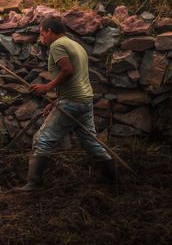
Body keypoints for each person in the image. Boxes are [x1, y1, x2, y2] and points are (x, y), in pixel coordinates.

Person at [13, 15, 117, 192]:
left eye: (42, 34)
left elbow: (68, 70)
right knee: (90, 141)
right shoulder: (76, 45)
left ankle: (33, 183)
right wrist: (55, 101)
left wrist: (47, 87)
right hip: (84, 100)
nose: (42, 38)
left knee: (42, 139)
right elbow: (75, 79)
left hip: (72, 101)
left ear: (49, 31)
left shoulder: (57, 45)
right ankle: (111, 179)